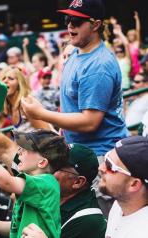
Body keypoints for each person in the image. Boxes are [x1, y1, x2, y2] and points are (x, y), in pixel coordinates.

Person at [21, 0, 127, 216]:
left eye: (77, 21)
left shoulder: (98, 65)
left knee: (99, 223)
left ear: (96, 24)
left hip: (98, 157)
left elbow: (90, 122)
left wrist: (40, 114)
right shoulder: (76, 53)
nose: (70, 25)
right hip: (78, 153)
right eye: (68, 19)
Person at [0, 116, 69, 238]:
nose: (19, 152)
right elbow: (17, 227)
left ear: (42, 162)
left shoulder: (46, 183)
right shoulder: (35, 186)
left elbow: (6, 182)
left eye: (25, 149)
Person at [21, 143, 107, 238]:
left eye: (55, 167)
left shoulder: (87, 220)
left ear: (78, 182)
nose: (46, 168)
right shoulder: (53, 194)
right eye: (49, 161)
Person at [99, 136, 148, 238]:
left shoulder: (141, 233)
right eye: (106, 158)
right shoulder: (120, 204)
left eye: (110, 166)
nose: (101, 167)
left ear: (134, 184)